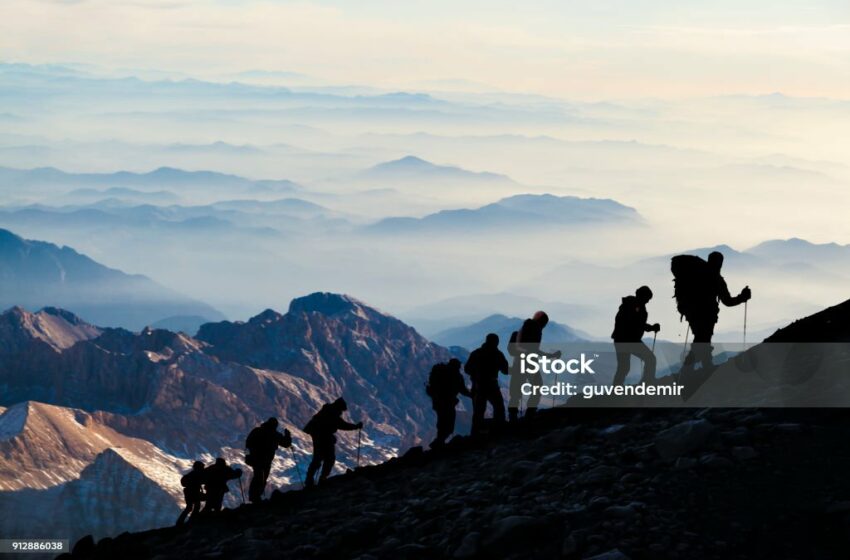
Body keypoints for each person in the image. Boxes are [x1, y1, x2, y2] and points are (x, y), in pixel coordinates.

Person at [673, 251, 751, 371]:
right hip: (707, 315)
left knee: (702, 339)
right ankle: (693, 367)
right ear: (720, 263)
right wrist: (742, 297)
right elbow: (728, 301)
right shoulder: (717, 279)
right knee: (702, 339)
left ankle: (701, 365)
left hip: (693, 314)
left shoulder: (697, 274)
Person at [507, 311, 561, 422]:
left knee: (516, 391)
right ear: (542, 322)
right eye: (544, 324)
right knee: (537, 386)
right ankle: (530, 413)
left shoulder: (526, 328)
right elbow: (534, 351)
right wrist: (551, 356)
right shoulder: (535, 330)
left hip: (518, 363)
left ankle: (513, 417)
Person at [303, 398, 363, 486]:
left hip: (319, 436)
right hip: (323, 436)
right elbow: (342, 425)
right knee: (329, 458)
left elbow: (339, 424)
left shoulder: (328, 411)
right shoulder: (332, 413)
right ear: (338, 407)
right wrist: (356, 426)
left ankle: (310, 480)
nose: (341, 412)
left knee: (318, 458)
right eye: (341, 410)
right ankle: (322, 478)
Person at [611, 286, 660, 385]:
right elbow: (637, 323)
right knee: (650, 359)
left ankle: (616, 390)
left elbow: (636, 323)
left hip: (622, 340)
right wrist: (652, 327)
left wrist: (650, 327)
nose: (647, 301)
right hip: (628, 340)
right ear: (642, 296)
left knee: (623, 367)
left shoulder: (630, 305)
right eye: (647, 299)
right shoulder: (635, 306)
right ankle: (648, 382)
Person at [464, 333, 509, 434]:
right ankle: (498, 431)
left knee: (478, 412)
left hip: (478, 385)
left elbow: (467, 369)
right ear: (496, 342)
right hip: (492, 385)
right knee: (499, 408)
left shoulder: (476, 353)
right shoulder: (498, 354)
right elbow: (506, 371)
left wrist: (476, 374)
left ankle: (475, 435)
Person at [426, 358, 472, 448]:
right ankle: (439, 441)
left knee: (442, 421)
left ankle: (439, 441)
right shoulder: (457, 376)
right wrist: (472, 395)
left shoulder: (441, 372)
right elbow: (463, 390)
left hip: (438, 402)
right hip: (448, 403)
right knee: (449, 422)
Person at [245, 417, 292, 503]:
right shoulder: (275, 434)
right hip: (265, 460)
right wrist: (288, 436)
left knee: (258, 477)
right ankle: (256, 497)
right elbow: (286, 444)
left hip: (256, 459)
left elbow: (248, 443)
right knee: (262, 478)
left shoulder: (257, 431)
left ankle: (254, 497)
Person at [176, 461, 206, 525]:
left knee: (189, 507)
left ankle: (180, 522)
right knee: (196, 506)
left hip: (188, 493)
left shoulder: (191, 474)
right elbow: (202, 481)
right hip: (194, 493)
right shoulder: (197, 474)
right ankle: (192, 521)